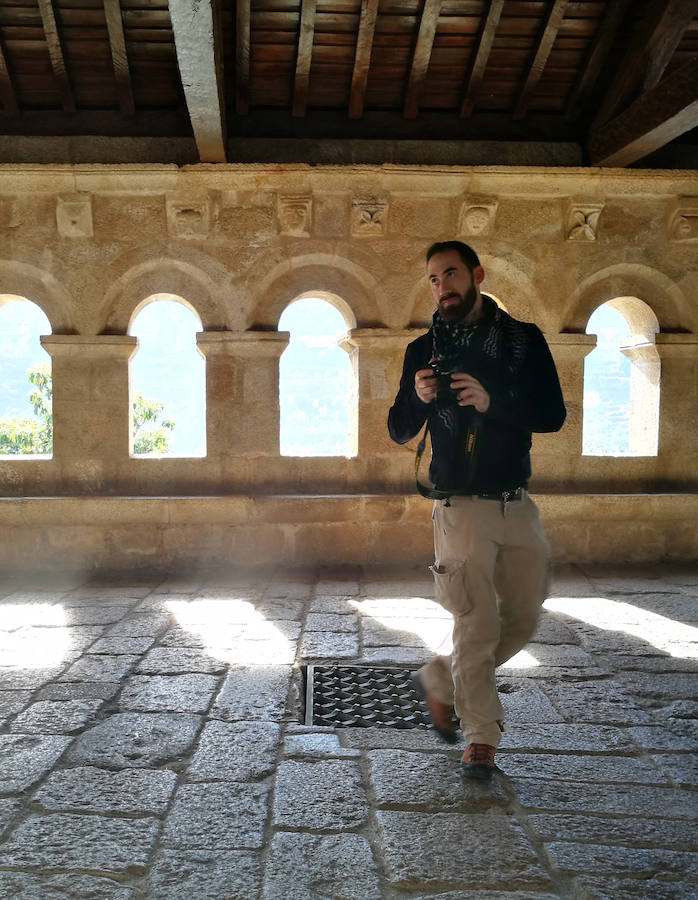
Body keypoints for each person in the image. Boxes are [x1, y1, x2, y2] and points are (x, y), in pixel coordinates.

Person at [388, 240, 566, 780]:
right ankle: (481, 740)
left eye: (451, 274)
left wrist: (493, 402)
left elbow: (552, 415)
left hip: (516, 500)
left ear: (477, 275)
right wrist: (419, 399)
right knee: (477, 623)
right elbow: (399, 429)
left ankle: (439, 680)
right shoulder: (423, 350)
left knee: (525, 615)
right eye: (434, 279)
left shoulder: (523, 341)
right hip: (459, 507)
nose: (443, 286)